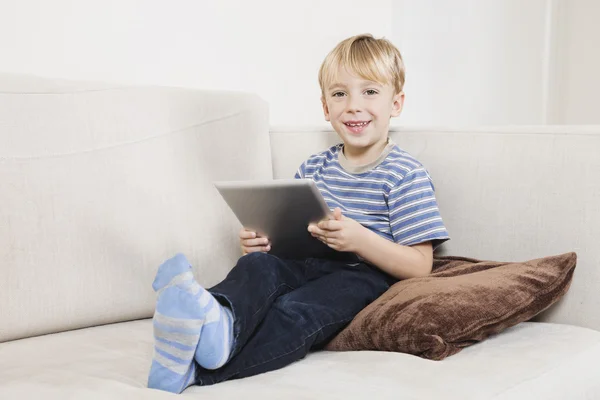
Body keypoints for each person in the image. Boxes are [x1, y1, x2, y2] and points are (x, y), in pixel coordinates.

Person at [147, 33, 450, 394]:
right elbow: (291, 234)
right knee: (257, 267)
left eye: (370, 92)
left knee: (298, 309)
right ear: (325, 108)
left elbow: (420, 265)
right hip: (304, 261)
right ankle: (217, 320)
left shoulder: (405, 174)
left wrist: (360, 239)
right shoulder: (314, 167)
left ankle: (200, 371)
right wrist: (263, 241)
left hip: (361, 276)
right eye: (340, 94)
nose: (353, 105)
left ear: (396, 103)